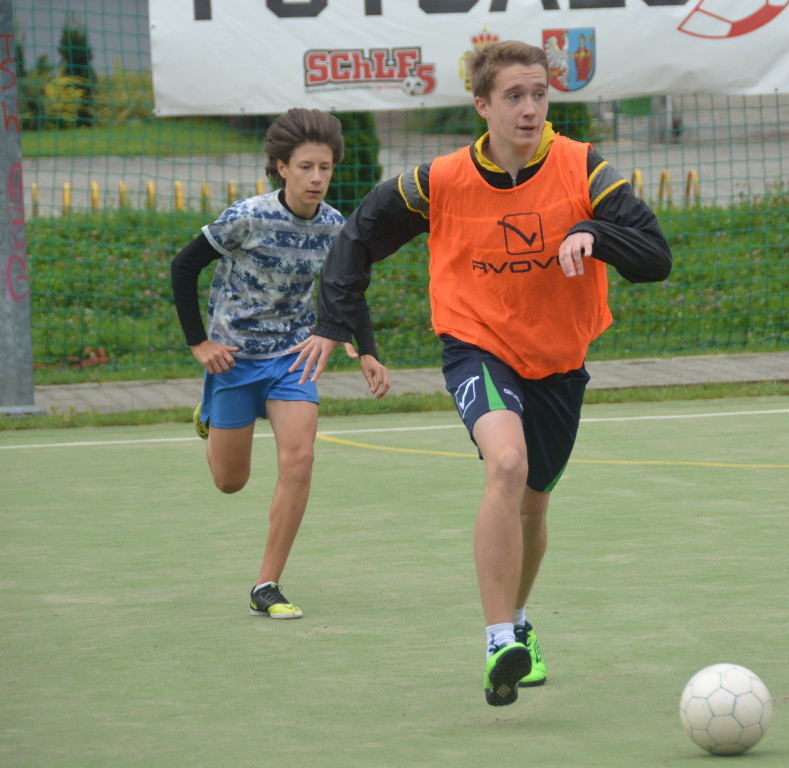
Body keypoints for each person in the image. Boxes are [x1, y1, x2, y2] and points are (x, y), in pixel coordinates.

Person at [290, 41, 672, 704]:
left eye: (539, 95)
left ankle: (519, 622)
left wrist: (594, 232)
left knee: (534, 503)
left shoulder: (585, 168)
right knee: (505, 464)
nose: (529, 109)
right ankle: (499, 638)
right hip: (477, 346)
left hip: (558, 360)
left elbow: (656, 257)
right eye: (513, 97)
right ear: (482, 105)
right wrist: (334, 321)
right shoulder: (438, 180)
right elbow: (357, 236)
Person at [170, 108, 390, 620]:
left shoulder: (336, 226)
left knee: (300, 460)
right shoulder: (246, 216)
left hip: (294, 356)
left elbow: (347, 291)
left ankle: (266, 584)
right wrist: (199, 344)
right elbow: (183, 268)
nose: (317, 178)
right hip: (233, 360)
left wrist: (368, 350)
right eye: (307, 167)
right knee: (230, 481)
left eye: (326, 168)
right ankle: (210, 412)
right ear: (281, 167)